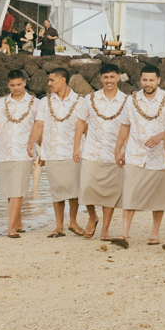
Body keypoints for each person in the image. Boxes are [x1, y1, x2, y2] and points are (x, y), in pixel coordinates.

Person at [113, 65, 165, 248]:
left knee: (160, 195)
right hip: (136, 153)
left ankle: (155, 232)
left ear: (158, 80)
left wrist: (160, 136)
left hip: (161, 156)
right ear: (140, 80)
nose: (147, 84)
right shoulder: (131, 100)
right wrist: (118, 149)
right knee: (130, 192)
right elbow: (125, 125)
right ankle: (124, 233)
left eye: (151, 80)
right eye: (144, 80)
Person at [73, 63, 129, 241]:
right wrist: (76, 147)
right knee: (87, 186)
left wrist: (125, 150)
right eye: (106, 77)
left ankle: (105, 229)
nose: (109, 81)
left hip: (115, 152)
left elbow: (130, 127)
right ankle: (92, 217)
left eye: (112, 77)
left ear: (118, 77)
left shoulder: (127, 101)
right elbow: (81, 122)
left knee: (110, 192)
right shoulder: (90, 99)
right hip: (92, 150)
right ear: (100, 79)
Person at [30, 68, 83, 238]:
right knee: (57, 189)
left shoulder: (79, 101)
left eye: (52, 80)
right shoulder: (45, 102)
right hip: (52, 150)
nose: (49, 83)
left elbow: (86, 126)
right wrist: (31, 143)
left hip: (73, 151)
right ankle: (59, 226)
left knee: (73, 189)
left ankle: (73, 222)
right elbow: (39, 124)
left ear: (63, 80)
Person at [0, 69, 38, 238]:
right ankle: (18, 222)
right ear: (8, 85)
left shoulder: (35, 103)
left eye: (19, 84)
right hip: (3, 149)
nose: (16, 88)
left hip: (24, 151)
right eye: (12, 85)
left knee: (17, 189)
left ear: (25, 83)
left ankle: (10, 227)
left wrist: (41, 148)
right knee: (9, 189)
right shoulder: (0, 104)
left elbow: (40, 126)